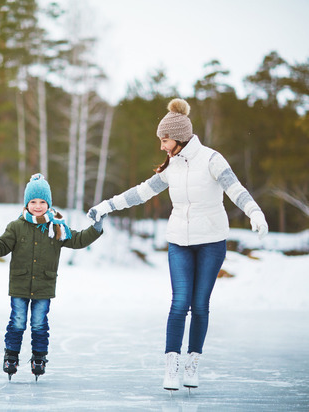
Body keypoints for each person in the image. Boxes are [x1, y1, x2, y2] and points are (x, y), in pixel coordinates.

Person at [87, 98, 268, 391]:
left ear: (180, 137)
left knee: (200, 305)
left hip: (211, 242)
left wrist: (255, 212)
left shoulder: (211, 159)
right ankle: (171, 367)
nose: (161, 146)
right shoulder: (172, 166)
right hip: (179, 242)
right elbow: (141, 193)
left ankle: (192, 363)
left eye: (165, 139)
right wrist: (107, 205)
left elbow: (235, 189)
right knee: (179, 303)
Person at [0, 173, 104, 380]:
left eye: (42, 201)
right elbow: (2, 247)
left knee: (39, 323)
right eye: (33, 201)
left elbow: (77, 240)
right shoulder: (16, 226)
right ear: (26, 203)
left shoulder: (56, 226)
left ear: (49, 203)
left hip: (44, 284)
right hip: (20, 284)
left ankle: (39, 357)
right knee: (17, 321)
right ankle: (11, 355)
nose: (38, 206)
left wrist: (96, 229)